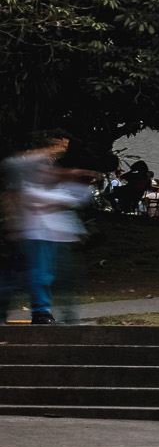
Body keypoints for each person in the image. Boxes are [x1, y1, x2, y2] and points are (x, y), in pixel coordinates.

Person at [5, 131, 92, 324]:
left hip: (57, 236)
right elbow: (31, 194)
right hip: (37, 234)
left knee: (56, 276)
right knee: (37, 274)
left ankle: (55, 313)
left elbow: (78, 196)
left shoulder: (51, 176)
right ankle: (41, 312)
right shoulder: (27, 172)